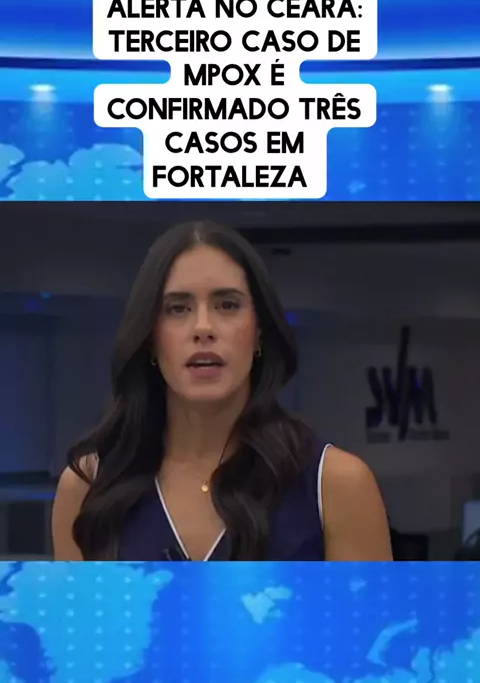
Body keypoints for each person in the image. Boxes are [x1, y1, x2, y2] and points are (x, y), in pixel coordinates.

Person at [52, 220, 393, 562]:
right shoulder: (88, 485)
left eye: (227, 305)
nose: (203, 328)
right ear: (151, 338)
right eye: (177, 308)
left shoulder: (336, 484)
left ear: (259, 332)